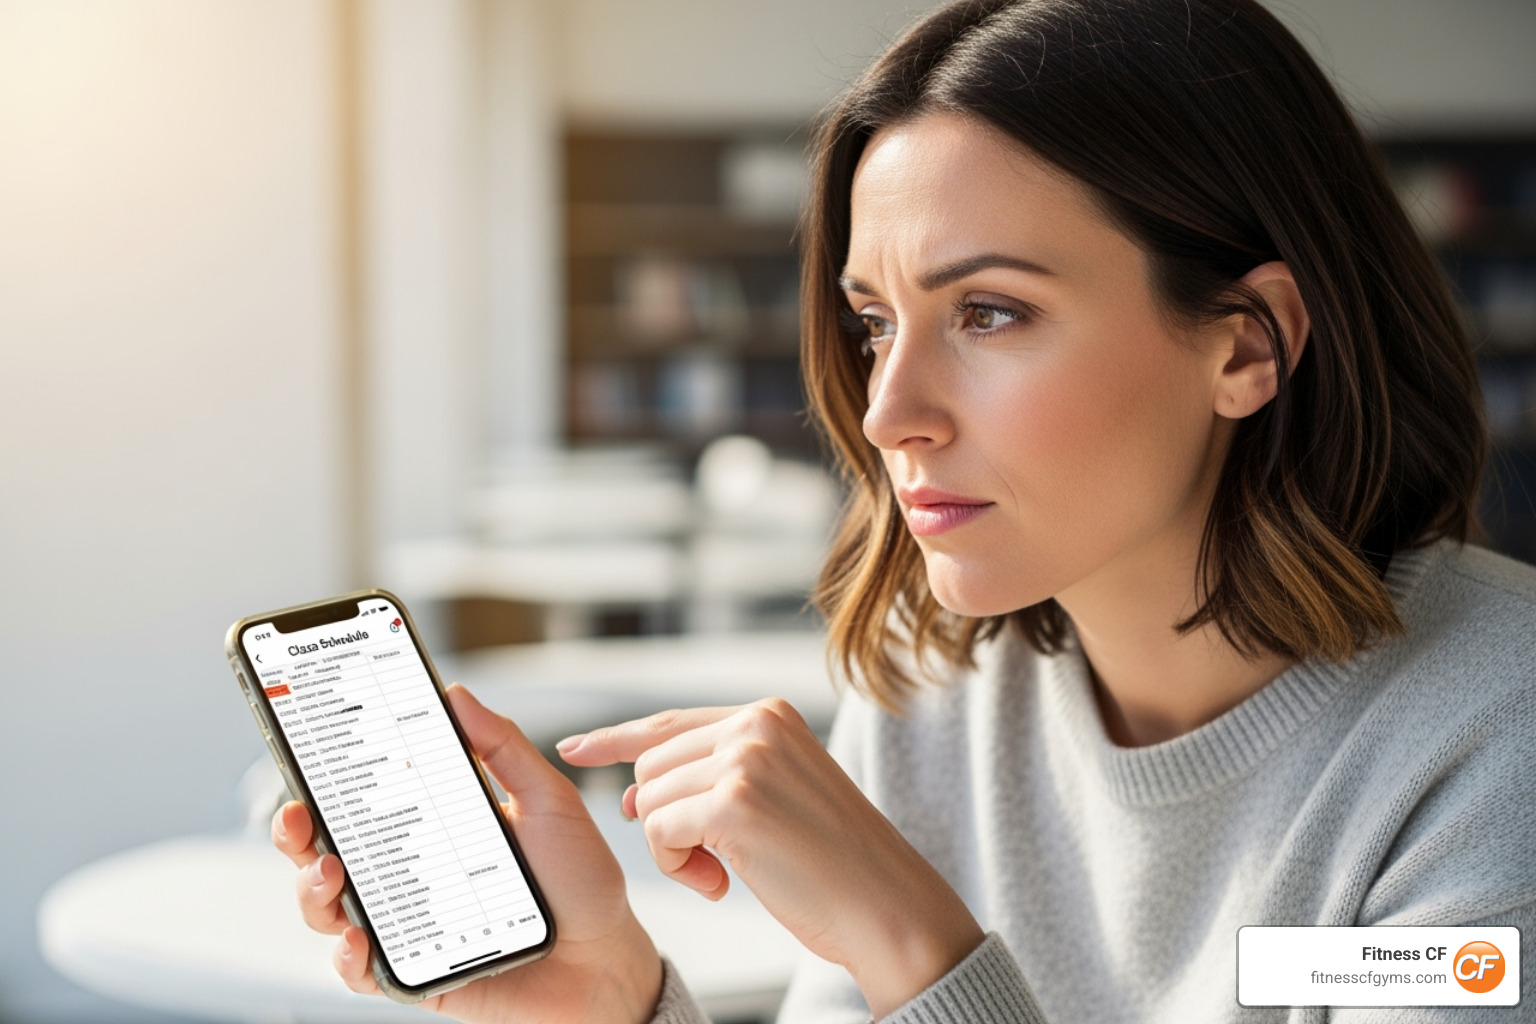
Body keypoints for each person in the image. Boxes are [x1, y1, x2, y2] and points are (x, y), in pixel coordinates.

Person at [273, 0, 1536, 1020]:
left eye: (989, 312)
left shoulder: (1496, 736)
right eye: (877, 323)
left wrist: (915, 944)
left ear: (1248, 346)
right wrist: (609, 997)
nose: (888, 412)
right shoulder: (933, 696)